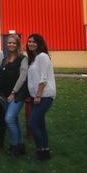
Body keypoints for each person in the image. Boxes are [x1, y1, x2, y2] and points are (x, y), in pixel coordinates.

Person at [0, 34, 28, 157]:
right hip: (3, 94)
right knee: (14, 120)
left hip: (17, 94)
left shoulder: (22, 58)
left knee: (8, 119)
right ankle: (21, 145)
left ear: (18, 45)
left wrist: (13, 92)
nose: (11, 45)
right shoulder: (4, 60)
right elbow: (0, 77)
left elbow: (22, 77)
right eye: (9, 43)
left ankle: (13, 147)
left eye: (14, 43)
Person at [26, 33, 56, 162]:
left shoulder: (43, 57)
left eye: (34, 42)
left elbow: (43, 78)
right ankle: (45, 151)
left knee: (32, 123)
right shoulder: (34, 58)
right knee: (40, 125)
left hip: (44, 96)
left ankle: (40, 151)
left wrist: (38, 95)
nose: (31, 44)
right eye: (29, 41)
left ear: (39, 43)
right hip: (35, 96)